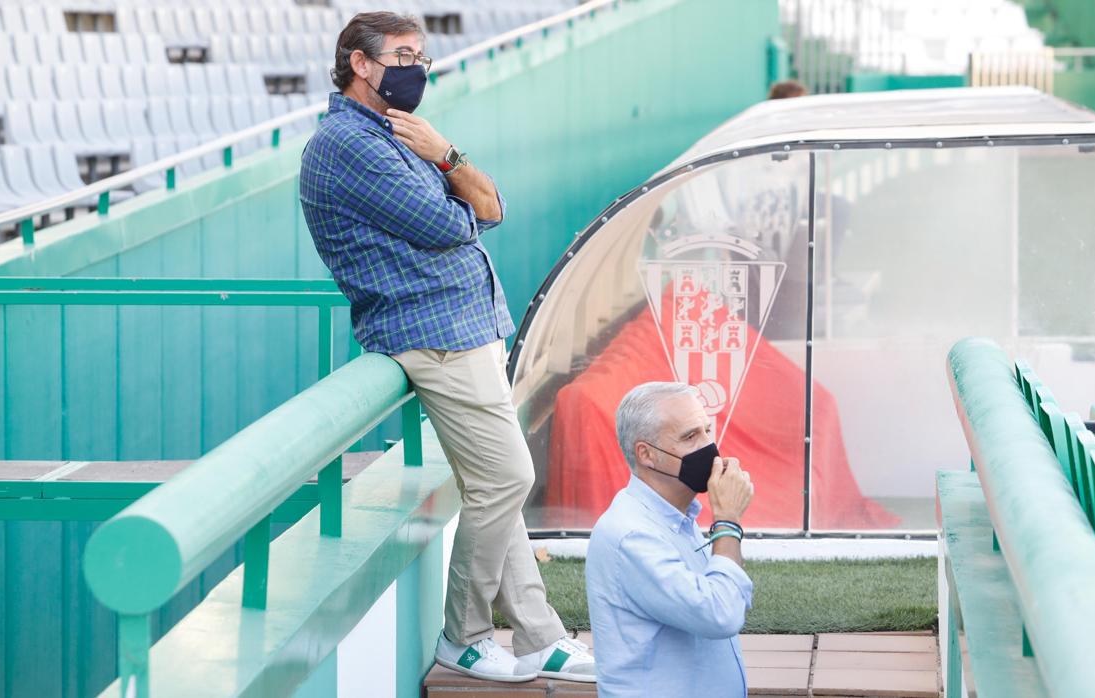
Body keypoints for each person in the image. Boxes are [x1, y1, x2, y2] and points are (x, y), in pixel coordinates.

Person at [297, 11, 594, 684]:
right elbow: (449, 223)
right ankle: (462, 637)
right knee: (507, 479)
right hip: (432, 335)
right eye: (402, 55)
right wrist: (448, 160)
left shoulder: (393, 132)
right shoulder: (347, 143)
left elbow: (490, 209)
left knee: (495, 485)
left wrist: (448, 165)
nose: (417, 69)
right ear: (359, 64)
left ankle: (540, 635)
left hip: (461, 329)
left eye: (422, 57)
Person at [586, 382, 756, 697]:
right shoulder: (632, 536)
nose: (710, 448)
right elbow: (721, 614)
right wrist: (728, 522)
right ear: (646, 454)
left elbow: (727, 594)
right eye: (690, 437)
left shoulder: (675, 517)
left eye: (707, 430)